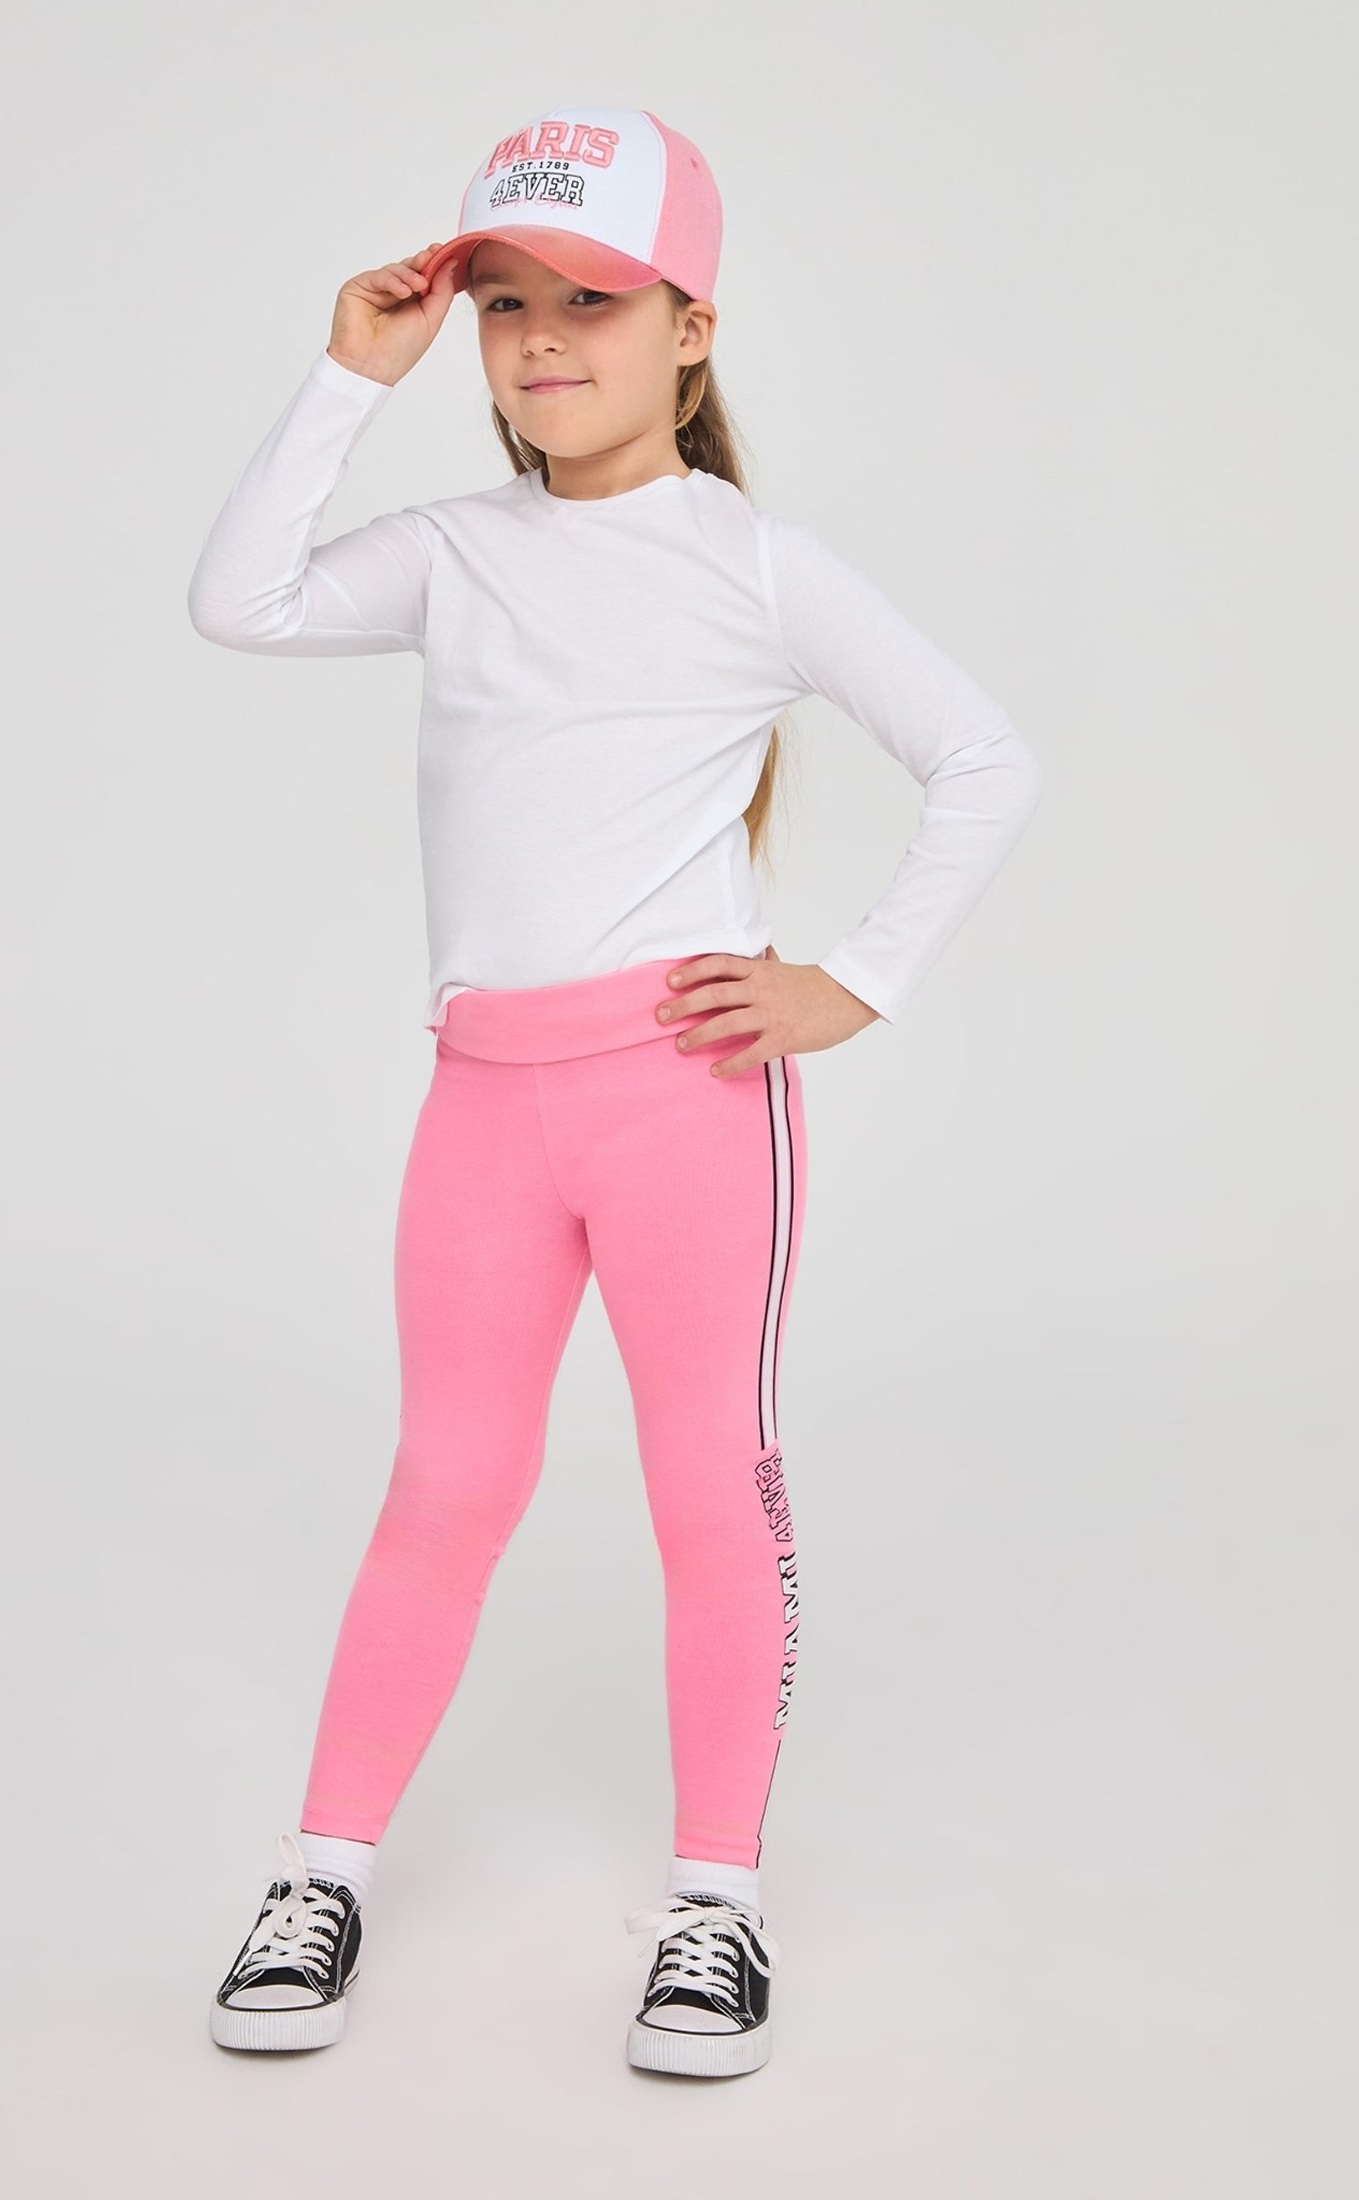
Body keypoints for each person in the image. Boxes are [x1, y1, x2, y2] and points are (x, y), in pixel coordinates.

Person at [188, 105, 1044, 2078]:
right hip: (483, 1107)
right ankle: (323, 1868)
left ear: (693, 328)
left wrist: (855, 981)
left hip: (683, 1105)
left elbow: (986, 756)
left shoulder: (754, 567)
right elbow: (241, 599)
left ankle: (715, 1905)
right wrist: (350, 371)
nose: (541, 340)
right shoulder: (453, 554)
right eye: (505, 304)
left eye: (591, 302)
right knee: (446, 1483)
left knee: (706, 1486)